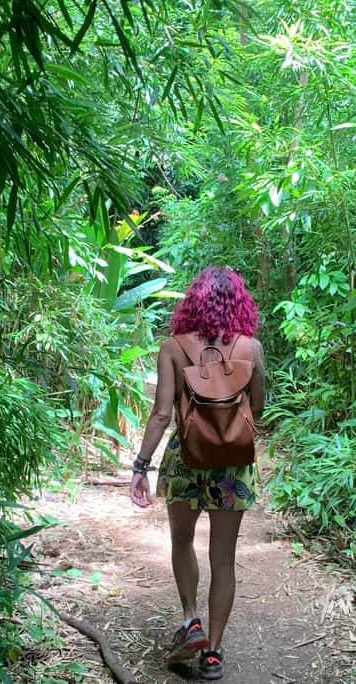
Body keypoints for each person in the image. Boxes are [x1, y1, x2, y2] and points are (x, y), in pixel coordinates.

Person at [130, 266, 265, 680]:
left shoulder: (173, 347)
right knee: (223, 559)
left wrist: (141, 466)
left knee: (182, 540)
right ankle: (214, 653)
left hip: (186, 459)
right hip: (232, 465)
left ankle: (191, 621)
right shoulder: (252, 349)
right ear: (239, 303)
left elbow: (161, 414)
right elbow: (256, 410)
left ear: (193, 302)